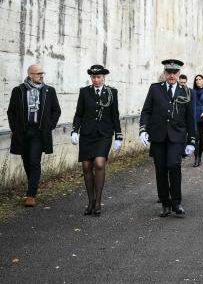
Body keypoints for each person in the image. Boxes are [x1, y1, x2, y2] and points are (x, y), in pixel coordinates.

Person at [139, 59, 197, 217]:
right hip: (158, 136)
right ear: (164, 73)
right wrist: (143, 130)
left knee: (174, 165)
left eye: (175, 72)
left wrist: (192, 140)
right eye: (169, 72)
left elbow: (190, 118)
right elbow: (146, 111)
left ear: (179, 74)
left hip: (176, 136)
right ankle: (165, 203)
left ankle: (176, 202)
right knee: (161, 169)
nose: (172, 75)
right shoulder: (155, 89)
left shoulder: (186, 91)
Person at [70, 65, 122, 216]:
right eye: (93, 77)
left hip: (104, 134)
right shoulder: (84, 92)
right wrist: (75, 130)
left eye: (99, 77)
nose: (96, 80)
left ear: (103, 77)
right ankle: (90, 200)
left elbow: (114, 115)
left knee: (99, 163)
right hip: (87, 134)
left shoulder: (112, 92)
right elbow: (79, 113)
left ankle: (98, 201)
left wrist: (118, 135)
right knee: (86, 166)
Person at [7, 64, 61, 207]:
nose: (41, 76)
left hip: (39, 132)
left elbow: (56, 110)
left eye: (42, 73)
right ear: (30, 74)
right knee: (26, 161)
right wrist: (15, 129)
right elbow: (11, 112)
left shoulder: (49, 91)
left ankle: (31, 195)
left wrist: (50, 125)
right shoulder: (18, 91)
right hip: (23, 132)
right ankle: (33, 186)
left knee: (34, 161)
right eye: (38, 73)